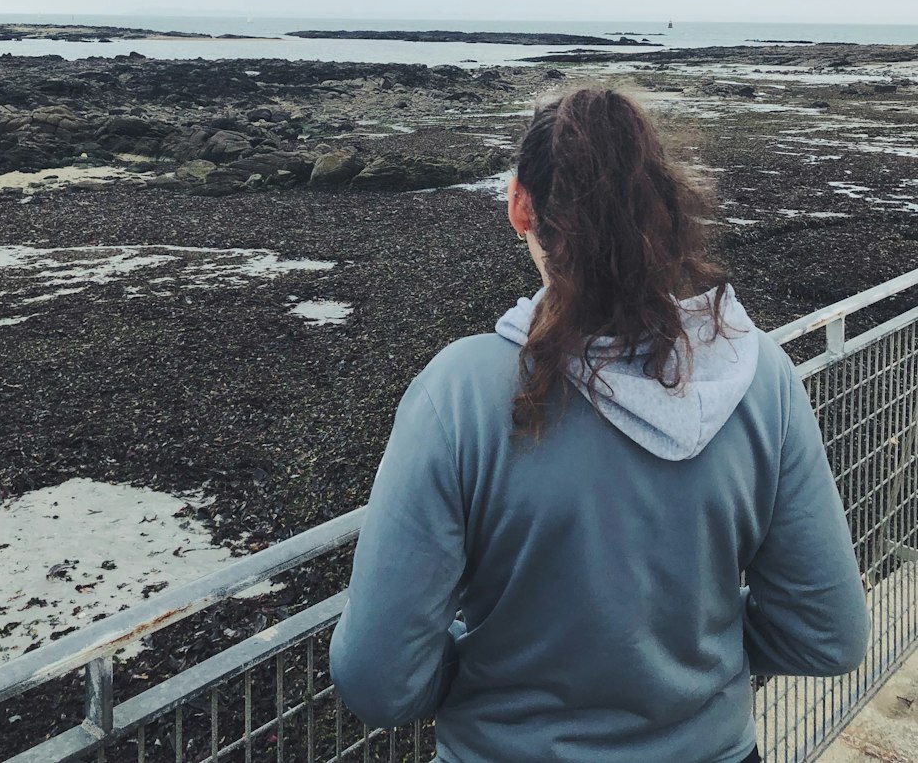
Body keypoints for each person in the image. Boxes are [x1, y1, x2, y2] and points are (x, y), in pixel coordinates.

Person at [329, 88, 870, 762]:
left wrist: (472, 677)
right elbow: (829, 633)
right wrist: (698, 660)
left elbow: (377, 678)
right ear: (666, 208)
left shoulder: (458, 393)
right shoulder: (763, 379)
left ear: (518, 205)